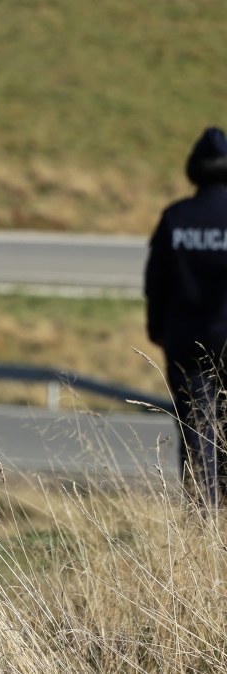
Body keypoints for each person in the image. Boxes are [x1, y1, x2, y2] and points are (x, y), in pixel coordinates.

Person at [144, 126, 227, 507]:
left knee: (196, 429)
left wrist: (158, 330)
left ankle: (202, 516)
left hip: (186, 343)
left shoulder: (175, 219)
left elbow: (155, 283)